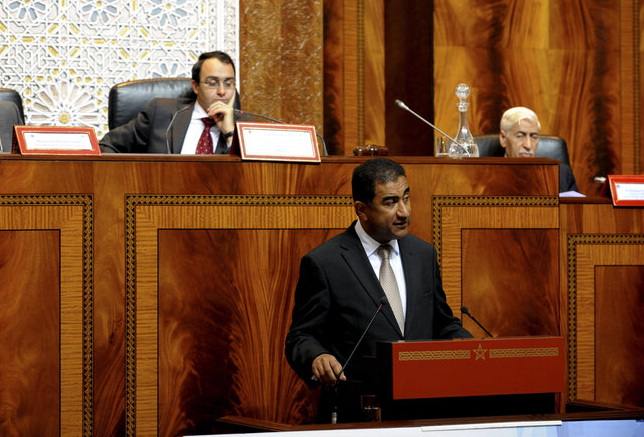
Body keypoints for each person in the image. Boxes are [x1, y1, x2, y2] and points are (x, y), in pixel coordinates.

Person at [285, 158, 471, 421]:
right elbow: (300, 337)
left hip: (424, 409)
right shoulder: (325, 263)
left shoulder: (423, 254)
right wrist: (318, 356)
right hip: (359, 413)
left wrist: (471, 348)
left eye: (406, 198)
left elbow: (441, 321)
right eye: (390, 202)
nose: (404, 211)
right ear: (362, 209)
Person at [100, 50, 252, 154]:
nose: (222, 91)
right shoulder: (161, 113)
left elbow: (257, 175)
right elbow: (107, 145)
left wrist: (230, 134)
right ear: (196, 86)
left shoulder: (246, 127)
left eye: (228, 83)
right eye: (212, 83)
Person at [499, 107, 579, 193]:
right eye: (520, 136)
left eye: (534, 136)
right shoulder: (486, 176)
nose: (528, 145)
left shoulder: (562, 175)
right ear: (503, 139)